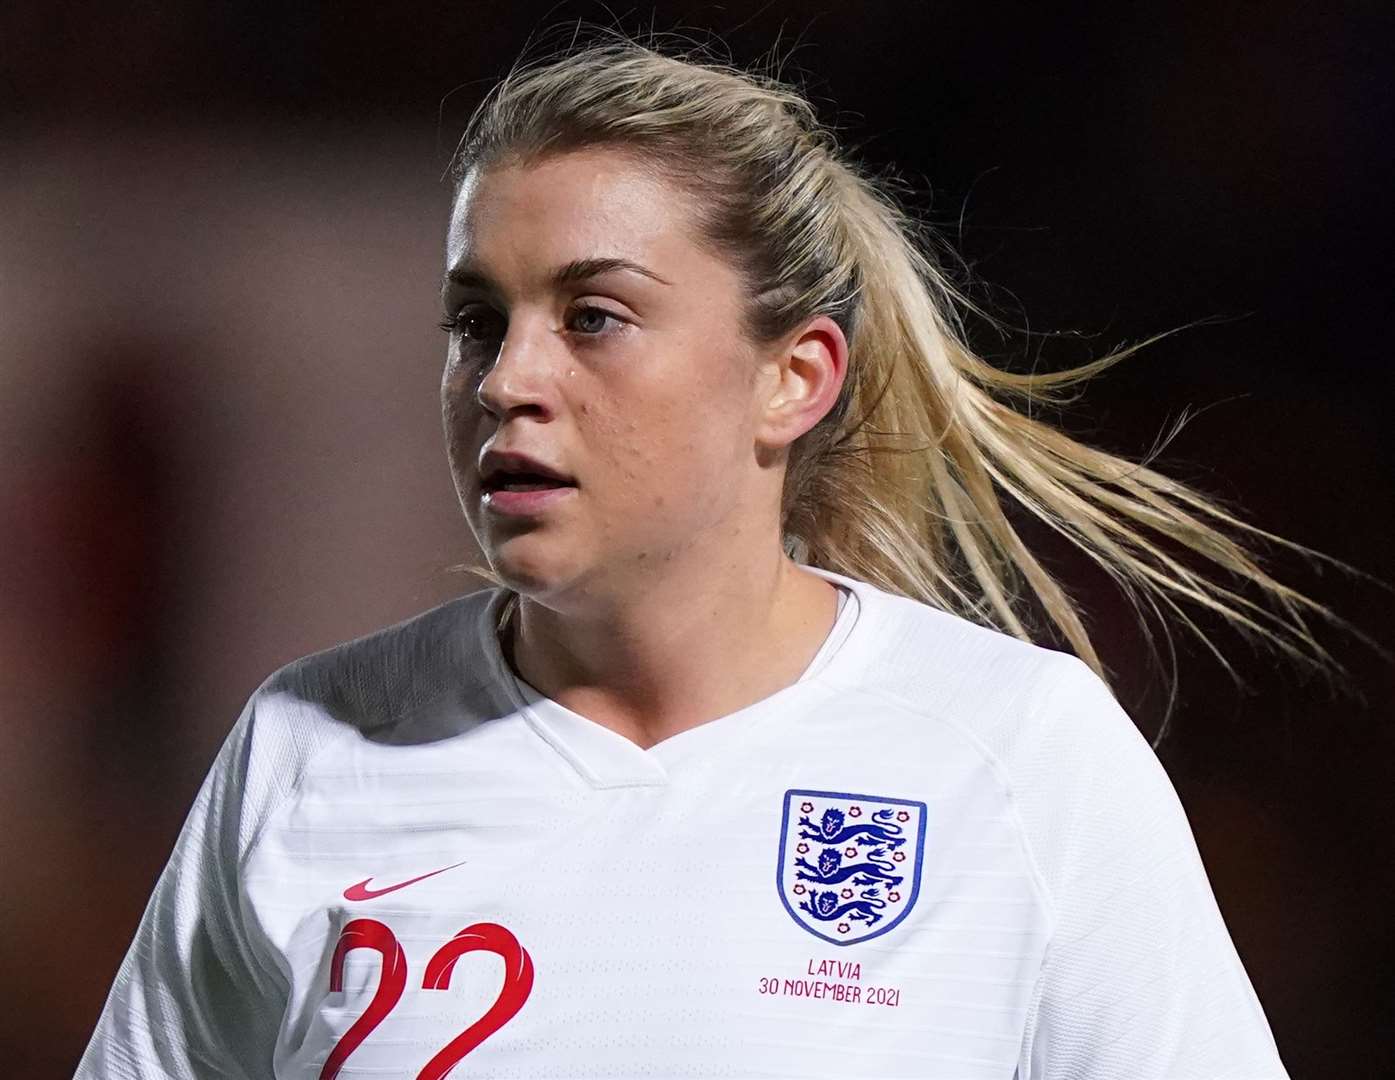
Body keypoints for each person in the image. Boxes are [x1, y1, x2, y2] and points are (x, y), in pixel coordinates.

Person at [75, 28, 1344, 1080]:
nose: (509, 379)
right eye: (476, 322)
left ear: (792, 378)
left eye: (595, 317)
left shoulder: (1016, 759)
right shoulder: (310, 749)